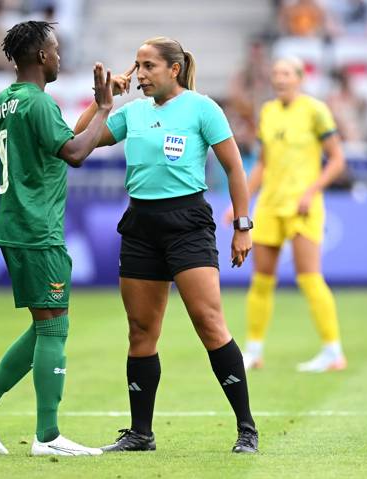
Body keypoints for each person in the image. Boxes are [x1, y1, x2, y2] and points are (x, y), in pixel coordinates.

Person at [74, 36, 258, 454]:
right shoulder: (132, 113)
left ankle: (246, 429)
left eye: (148, 66)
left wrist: (243, 226)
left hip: (188, 224)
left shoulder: (202, 108)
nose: (139, 75)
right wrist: (103, 101)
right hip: (141, 225)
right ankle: (141, 434)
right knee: (140, 331)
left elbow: (234, 167)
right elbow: (76, 142)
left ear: (173, 69)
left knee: (209, 323)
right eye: (137, 66)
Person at [0, 20, 114, 457]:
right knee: (55, 327)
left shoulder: (4, 101)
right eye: (56, 50)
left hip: (13, 226)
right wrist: (102, 108)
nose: (59, 56)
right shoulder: (39, 104)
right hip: (37, 229)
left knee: (47, 325)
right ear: (42, 57)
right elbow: (77, 153)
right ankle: (47, 437)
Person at [231, 57, 347, 373]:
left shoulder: (315, 110)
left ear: (299, 77)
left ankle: (333, 352)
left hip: (302, 206)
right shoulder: (268, 112)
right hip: (269, 205)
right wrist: (241, 202)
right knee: (261, 281)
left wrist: (311, 192)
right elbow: (263, 164)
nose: (279, 78)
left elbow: (337, 160)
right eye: (275, 73)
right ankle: (253, 351)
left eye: (286, 73)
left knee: (309, 278)